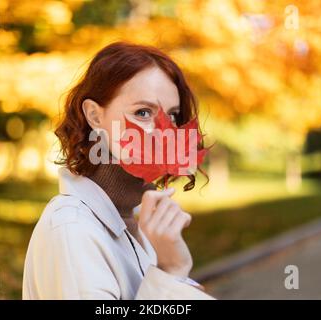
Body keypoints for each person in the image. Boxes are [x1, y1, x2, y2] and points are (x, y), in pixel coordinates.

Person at [22, 42, 215, 300]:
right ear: (94, 116)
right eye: (143, 112)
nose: (163, 133)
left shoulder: (137, 225)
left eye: (172, 117)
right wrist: (170, 272)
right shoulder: (72, 228)